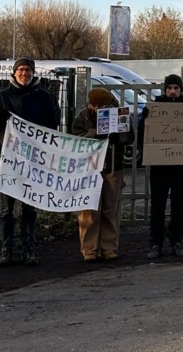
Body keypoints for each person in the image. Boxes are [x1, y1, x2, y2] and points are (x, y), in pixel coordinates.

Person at [0, 57, 61, 267]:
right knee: (6, 210)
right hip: (8, 162)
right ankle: (6, 251)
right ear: (14, 72)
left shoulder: (44, 97)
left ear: (33, 73)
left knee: (30, 209)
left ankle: (29, 250)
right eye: (21, 70)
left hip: (33, 162)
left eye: (28, 70)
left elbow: (53, 127)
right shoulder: (2, 96)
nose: (24, 73)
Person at [71, 88, 131, 262]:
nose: (96, 109)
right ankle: (89, 249)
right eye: (94, 105)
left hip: (113, 166)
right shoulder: (83, 117)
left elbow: (130, 136)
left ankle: (109, 247)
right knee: (89, 210)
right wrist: (94, 133)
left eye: (101, 106)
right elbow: (75, 138)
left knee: (110, 209)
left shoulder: (120, 115)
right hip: (89, 169)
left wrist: (116, 138)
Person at [139, 74, 183, 260]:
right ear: (165, 89)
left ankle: (176, 241)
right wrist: (144, 119)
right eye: (170, 88)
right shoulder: (155, 107)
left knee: (179, 206)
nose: (173, 91)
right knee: (157, 206)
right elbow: (143, 135)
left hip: (181, 166)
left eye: (176, 88)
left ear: (180, 90)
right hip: (160, 166)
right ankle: (156, 243)